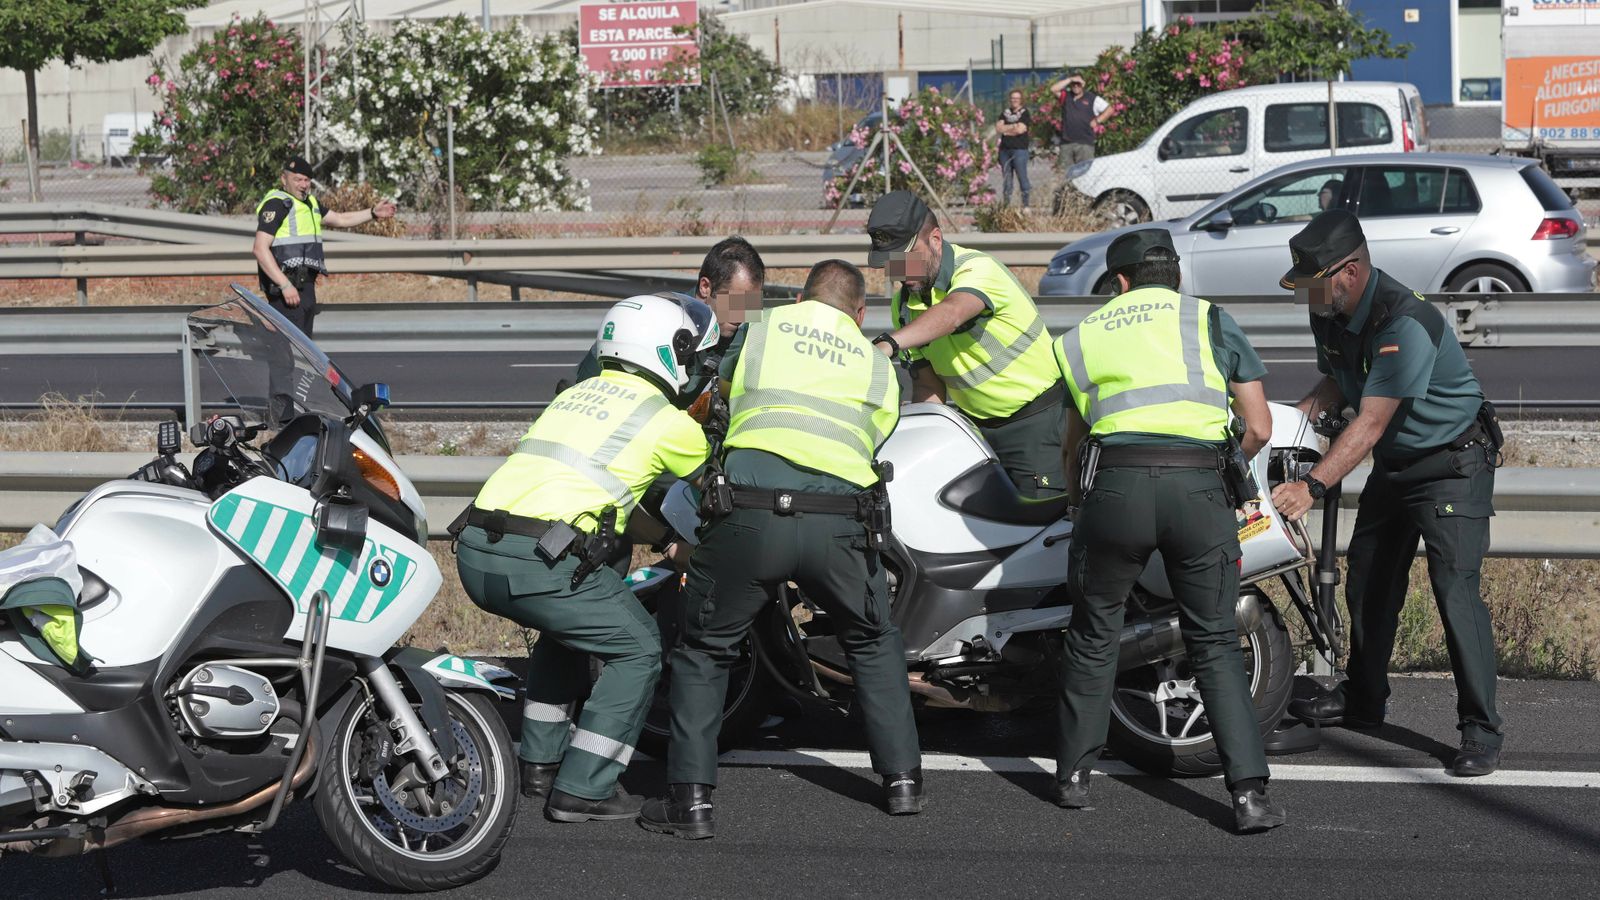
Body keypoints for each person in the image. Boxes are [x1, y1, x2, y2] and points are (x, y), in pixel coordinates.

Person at [640, 260, 923, 840]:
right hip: (840, 524)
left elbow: (716, 396)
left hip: (750, 514)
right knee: (872, 640)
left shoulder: (759, 329)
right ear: (859, 314)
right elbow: (879, 434)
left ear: (799, 300)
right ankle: (902, 782)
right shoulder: (878, 364)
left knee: (706, 648)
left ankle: (691, 802)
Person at [1053, 228, 1285, 834]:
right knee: (1214, 641)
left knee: (1095, 632)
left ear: (1120, 281)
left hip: (1115, 491)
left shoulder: (1081, 335)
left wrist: (1079, 507)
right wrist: (1221, 470)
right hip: (1198, 490)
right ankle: (1249, 795)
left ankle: (1073, 777)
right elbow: (1259, 426)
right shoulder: (1210, 320)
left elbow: (1072, 447)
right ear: (1177, 275)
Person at [453, 295, 712, 823]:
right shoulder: (667, 420)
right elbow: (713, 487)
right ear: (672, 352)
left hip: (477, 551)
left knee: (568, 628)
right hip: (538, 563)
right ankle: (585, 786)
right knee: (639, 648)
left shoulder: (575, 394)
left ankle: (540, 764)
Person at [1272, 210, 1504, 777]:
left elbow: (1371, 421)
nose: (1305, 297)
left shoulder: (1405, 320)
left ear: (1349, 272)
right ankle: (1364, 700)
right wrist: (1288, 431)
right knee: (1369, 579)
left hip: (1452, 464)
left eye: (1312, 284)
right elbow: (1335, 382)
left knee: (1455, 592)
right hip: (1398, 463)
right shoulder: (1329, 312)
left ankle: (1480, 729)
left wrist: (1312, 484)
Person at [866, 190, 1065, 496]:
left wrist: (888, 344)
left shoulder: (977, 268)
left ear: (935, 239)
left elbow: (953, 313)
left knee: (1045, 521)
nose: (901, 272)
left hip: (1036, 423)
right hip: (973, 431)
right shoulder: (904, 305)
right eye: (892, 263)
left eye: (906, 259)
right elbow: (929, 387)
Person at [572, 236, 766, 386]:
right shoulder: (652, 322)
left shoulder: (746, 328)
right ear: (705, 287)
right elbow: (589, 383)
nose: (743, 315)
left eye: (750, 304)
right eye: (736, 302)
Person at [252, 156, 396, 337]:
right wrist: (285, 285)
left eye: (307, 180)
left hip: (305, 287)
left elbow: (341, 219)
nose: (303, 185)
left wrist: (372, 213)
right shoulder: (277, 204)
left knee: (303, 346)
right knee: (290, 347)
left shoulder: (309, 203)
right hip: (286, 290)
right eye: (297, 179)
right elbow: (260, 248)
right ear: (284, 179)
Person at [1049, 73, 1115, 170]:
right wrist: (1070, 79)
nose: (1076, 86)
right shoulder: (1066, 96)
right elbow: (1053, 89)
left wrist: (1097, 120)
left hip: (1085, 144)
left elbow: (1109, 110)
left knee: (1084, 173)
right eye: (1074, 83)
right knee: (1065, 173)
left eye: (1078, 83)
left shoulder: (1092, 98)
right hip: (1066, 143)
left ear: (1083, 84)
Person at [997, 89, 1033, 210]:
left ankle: (1026, 206)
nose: (1015, 100)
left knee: (1022, 178)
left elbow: (1021, 129)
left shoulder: (1025, 113)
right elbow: (999, 128)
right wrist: (1013, 126)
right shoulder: (1005, 113)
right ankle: (1006, 207)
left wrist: (1007, 130)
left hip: (1019, 150)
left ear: (1021, 99)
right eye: (1013, 98)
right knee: (1007, 180)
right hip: (1004, 151)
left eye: (1017, 98)